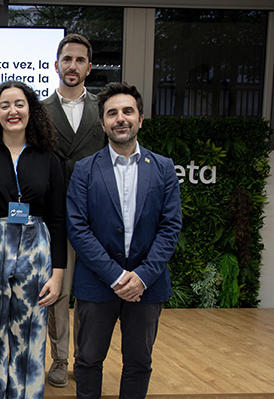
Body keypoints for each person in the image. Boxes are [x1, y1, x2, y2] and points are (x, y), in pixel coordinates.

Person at [66, 82, 182, 399]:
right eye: (112, 113)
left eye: (127, 111)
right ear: (102, 123)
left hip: (148, 286)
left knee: (139, 363)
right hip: (97, 283)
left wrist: (142, 276)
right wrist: (116, 276)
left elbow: (170, 227)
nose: (121, 118)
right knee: (88, 361)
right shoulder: (84, 170)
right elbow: (78, 228)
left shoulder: (163, 168)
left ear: (140, 119)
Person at [0, 80, 67, 399]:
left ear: (31, 110)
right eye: (4, 105)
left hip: (36, 250)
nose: (12, 111)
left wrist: (58, 274)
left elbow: (58, 218)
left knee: (30, 333)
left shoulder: (49, 158)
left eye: (19, 104)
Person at [40, 33, 107, 388]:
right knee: (59, 292)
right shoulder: (39, 110)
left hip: (95, 217)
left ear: (89, 67)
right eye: (67, 59)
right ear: (56, 64)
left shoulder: (104, 109)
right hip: (56, 216)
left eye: (80, 60)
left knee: (91, 294)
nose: (73, 66)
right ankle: (59, 358)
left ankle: (86, 359)